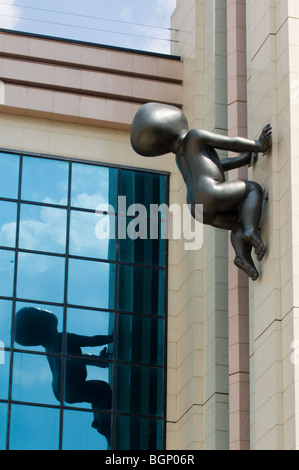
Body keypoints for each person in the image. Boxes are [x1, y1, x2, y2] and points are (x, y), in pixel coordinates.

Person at [130, 102, 272, 280]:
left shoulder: (179, 158)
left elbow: (216, 165)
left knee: (238, 221)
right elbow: (231, 143)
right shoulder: (194, 136)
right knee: (252, 189)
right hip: (211, 191)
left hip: (196, 208)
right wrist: (258, 145)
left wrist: (243, 160)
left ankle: (242, 254)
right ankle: (250, 231)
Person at [14, 306, 113, 444]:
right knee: (102, 390)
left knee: (96, 392)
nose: (45, 311)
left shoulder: (50, 349)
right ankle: (104, 425)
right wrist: (111, 338)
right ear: (42, 325)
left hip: (61, 391)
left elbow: (77, 357)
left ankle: (98, 419)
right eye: (41, 312)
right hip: (72, 388)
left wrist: (100, 360)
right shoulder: (63, 338)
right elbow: (91, 341)